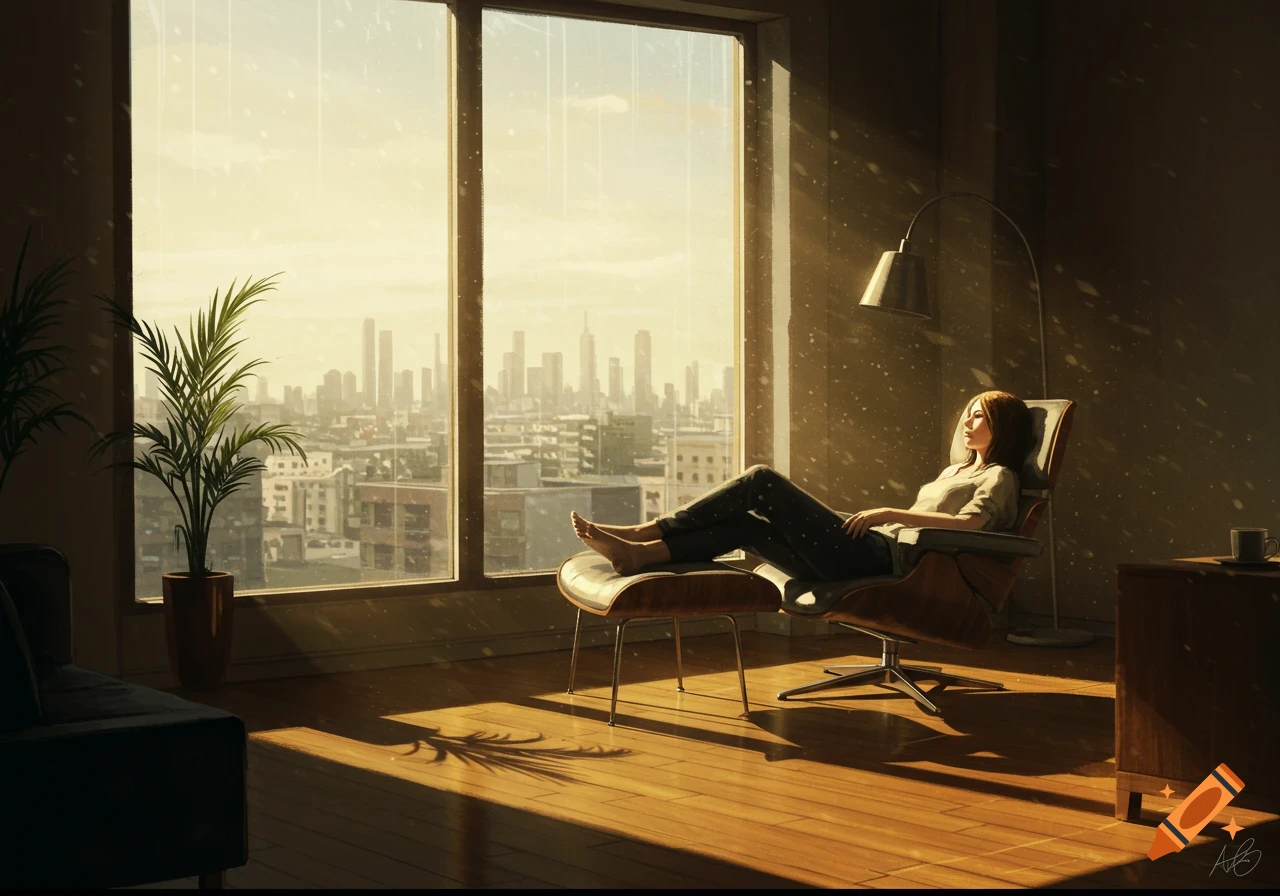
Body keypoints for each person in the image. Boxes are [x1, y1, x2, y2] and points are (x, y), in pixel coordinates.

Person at [570, 390, 1033, 581]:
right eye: (969, 413)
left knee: (760, 480)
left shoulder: (1000, 476)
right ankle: (640, 555)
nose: (969, 422)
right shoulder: (953, 472)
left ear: (1004, 428)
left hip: (886, 558)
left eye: (982, 417)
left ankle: (649, 529)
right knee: (747, 527)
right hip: (865, 546)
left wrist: (888, 513)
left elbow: (970, 524)